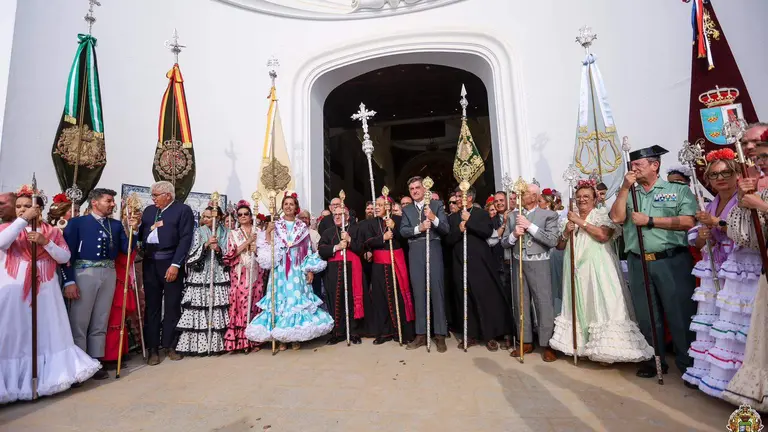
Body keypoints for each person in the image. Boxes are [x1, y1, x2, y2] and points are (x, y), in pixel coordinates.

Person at [0, 185, 99, 402]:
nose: (22, 209)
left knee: (47, 333)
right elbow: (2, 242)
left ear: (40, 209)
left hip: (45, 291)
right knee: (13, 335)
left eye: (27, 206)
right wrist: (22, 221)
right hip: (14, 292)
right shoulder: (9, 228)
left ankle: (47, 379)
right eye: (18, 206)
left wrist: (46, 243)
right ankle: (13, 383)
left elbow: (64, 257)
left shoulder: (51, 232)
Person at [609, 145, 698, 378]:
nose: (634, 169)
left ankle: (688, 364)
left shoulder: (676, 190)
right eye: (632, 165)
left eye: (638, 164)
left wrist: (650, 220)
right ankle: (654, 360)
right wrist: (625, 187)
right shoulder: (629, 193)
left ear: (654, 165)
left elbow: (689, 221)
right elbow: (617, 218)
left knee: (679, 313)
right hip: (639, 262)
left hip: (671, 261)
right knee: (647, 315)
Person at [549, 179, 653, 363]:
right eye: (579, 196)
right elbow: (560, 245)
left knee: (602, 301)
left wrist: (579, 221)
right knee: (582, 303)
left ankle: (607, 349)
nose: (582, 200)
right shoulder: (568, 219)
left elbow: (603, 236)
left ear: (595, 199)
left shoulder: (601, 214)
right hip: (574, 268)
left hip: (599, 267)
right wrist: (566, 231)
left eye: (586, 196)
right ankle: (582, 345)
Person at [681, 149, 744, 396]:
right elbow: (696, 241)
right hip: (713, 267)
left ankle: (735, 381)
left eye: (726, 172)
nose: (720, 178)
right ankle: (709, 376)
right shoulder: (710, 203)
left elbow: (746, 233)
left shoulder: (745, 199)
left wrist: (716, 224)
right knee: (711, 321)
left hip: (739, 268)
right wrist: (703, 235)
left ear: (737, 173)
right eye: (714, 174)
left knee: (733, 323)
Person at [62, 188, 139, 379]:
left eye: (112, 201)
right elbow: (67, 255)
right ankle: (79, 363)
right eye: (108, 201)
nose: (112, 204)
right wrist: (69, 280)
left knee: (101, 318)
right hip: (84, 271)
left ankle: (96, 360)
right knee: (79, 319)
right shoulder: (77, 223)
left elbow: (126, 248)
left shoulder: (115, 225)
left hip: (109, 272)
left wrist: (133, 231)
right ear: (95, 202)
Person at [246, 193, 332, 350]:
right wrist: (268, 233)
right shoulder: (275, 225)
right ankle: (281, 339)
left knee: (295, 301)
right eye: (286, 204)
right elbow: (268, 249)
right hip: (280, 270)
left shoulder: (302, 228)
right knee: (280, 301)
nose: (288, 207)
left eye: (291, 204)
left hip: (297, 270)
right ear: (282, 207)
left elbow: (307, 251)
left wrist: (310, 270)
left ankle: (295, 337)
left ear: (296, 207)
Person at [722, 127, 768, 409]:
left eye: (762, 150)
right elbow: (746, 237)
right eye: (756, 153)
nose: (756, 156)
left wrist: (761, 205)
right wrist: (744, 202)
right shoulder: (759, 184)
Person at [446, 186, 513, 351]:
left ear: (469, 197)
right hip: (460, 262)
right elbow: (448, 240)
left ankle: (489, 335)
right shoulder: (453, 217)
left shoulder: (480, 214)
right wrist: (460, 229)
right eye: (456, 195)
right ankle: (470, 335)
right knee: (464, 299)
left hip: (479, 263)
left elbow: (486, 232)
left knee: (484, 298)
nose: (457, 198)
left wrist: (470, 221)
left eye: (460, 195)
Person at [137, 180, 196, 366]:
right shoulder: (148, 211)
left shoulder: (182, 210)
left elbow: (185, 239)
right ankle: (153, 348)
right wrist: (133, 227)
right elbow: (141, 236)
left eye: (156, 195)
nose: (153, 199)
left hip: (170, 263)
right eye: (152, 195)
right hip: (150, 263)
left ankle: (170, 345)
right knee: (152, 307)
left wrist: (176, 265)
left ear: (167, 195)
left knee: (172, 306)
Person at [502, 183, 559, 361]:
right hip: (519, 262)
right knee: (521, 302)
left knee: (543, 303)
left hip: (539, 262)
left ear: (535, 196)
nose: (519, 195)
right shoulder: (513, 216)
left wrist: (530, 227)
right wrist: (514, 235)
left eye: (524, 193)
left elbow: (552, 240)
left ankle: (547, 343)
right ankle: (525, 341)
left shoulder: (548, 215)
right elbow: (504, 242)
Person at [400, 176, 450, 352]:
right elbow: (403, 231)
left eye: (417, 187)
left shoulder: (437, 205)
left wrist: (433, 218)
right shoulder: (407, 210)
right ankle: (421, 334)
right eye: (412, 188)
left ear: (424, 189)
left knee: (437, 290)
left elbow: (445, 228)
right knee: (419, 291)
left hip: (434, 247)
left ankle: (440, 334)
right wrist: (418, 228)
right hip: (415, 251)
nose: (414, 191)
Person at [175, 205, 230, 356]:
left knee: (216, 306)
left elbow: (230, 252)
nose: (206, 219)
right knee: (200, 307)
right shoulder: (198, 232)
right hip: (201, 274)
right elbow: (191, 253)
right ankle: (198, 345)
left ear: (218, 217)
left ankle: (218, 344)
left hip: (218, 273)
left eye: (209, 216)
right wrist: (206, 245)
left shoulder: (227, 232)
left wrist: (218, 249)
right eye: (204, 217)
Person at [361, 196, 416, 345]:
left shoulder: (397, 220)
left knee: (398, 297)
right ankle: (384, 333)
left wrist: (395, 228)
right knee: (380, 299)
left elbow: (406, 239)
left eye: (380, 205)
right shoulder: (371, 223)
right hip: (379, 265)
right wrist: (383, 238)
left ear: (388, 207)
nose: (377, 207)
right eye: (375, 205)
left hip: (395, 262)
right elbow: (366, 242)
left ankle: (402, 332)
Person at [319, 206, 365, 345]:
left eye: (341, 214)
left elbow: (362, 249)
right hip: (333, 270)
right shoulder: (328, 232)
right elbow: (321, 250)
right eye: (335, 215)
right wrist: (336, 247)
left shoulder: (356, 229)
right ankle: (337, 332)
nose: (337, 217)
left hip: (352, 268)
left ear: (348, 216)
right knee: (335, 300)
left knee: (351, 299)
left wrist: (350, 240)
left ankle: (353, 332)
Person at [102, 205, 142, 366]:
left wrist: (134, 231)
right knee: (109, 320)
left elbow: (129, 255)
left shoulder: (125, 237)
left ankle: (118, 352)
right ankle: (108, 355)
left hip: (121, 279)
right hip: (109, 278)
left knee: (118, 319)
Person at [223, 200, 264, 353]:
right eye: (240, 215)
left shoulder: (258, 231)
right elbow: (231, 253)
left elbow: (265, 253)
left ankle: (254, 339)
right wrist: (248, 242)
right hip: (240, 273)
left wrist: (256, 247)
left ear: (251, 216)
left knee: (256, 301)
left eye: (246, 214)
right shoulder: (233, 234)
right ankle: (240, 341)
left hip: (256, 271)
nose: (243, 216)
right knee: (240, 303)